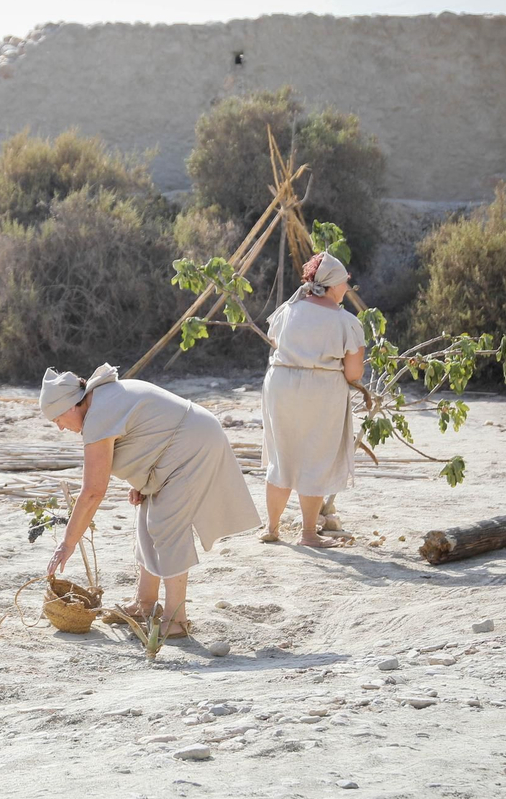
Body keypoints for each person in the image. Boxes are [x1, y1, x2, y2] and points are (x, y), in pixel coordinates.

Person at [40, 363, 259, 638]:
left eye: (57, 419)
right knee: (146, 518)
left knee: (167, 527)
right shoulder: (100, 401)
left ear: (72, 406)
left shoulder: (99, 413)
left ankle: (176, 619)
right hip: (177, 447)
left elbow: (93, 491)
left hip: (194, 445)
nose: (60, 428)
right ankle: (145, 603)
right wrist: (142, 481)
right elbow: (147, 433)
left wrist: (67, 543)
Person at [260, 252, 366, 548]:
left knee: (283, 455)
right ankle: (308, 534)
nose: (347, 287)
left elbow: (276, 343)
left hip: (280, 385)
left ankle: (273, 527)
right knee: (314, 457)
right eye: (345, 282)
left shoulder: (287, 310)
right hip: (320, 390)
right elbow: (354, 372)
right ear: (334, 285)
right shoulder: (346, 322)